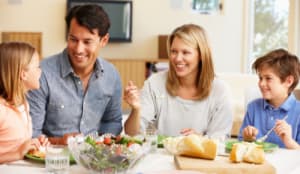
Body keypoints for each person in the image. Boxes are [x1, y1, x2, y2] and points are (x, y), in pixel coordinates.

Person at [27, 4, 123, 145]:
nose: (78, 49)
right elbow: (32, 134)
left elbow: (112, 121)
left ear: (104, 40)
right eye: (73, 39)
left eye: (87, 42)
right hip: (52, 158)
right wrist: (60, 141)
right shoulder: (42, 73)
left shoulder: (111, 75)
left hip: (95, 159)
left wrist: (103, 144)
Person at [124, 24, 233, 137]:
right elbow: (131, 133)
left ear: (201, 55)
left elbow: (220, 142)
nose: (177, 58)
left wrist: (200, 140)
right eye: (174, 51)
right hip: (160, 154)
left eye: (185, 52)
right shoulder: (155, 83)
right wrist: (136, 109)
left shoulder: (220, 90)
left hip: (199, 155)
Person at [239, 49, 300, 149]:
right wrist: (247, 139)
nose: (261, 83)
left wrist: (289, 142)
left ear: (288, 81)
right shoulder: (253, 108)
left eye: (268, 78)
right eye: (260, 78)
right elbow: (240, 145)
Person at [0, 42, 48, 163]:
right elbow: (17, 151)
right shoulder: (1, 110)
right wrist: (17, 153)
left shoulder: (23, 104)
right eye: (37, 67)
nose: (40, 72)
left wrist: (35, 144)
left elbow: (18, 143)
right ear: (23, 74)